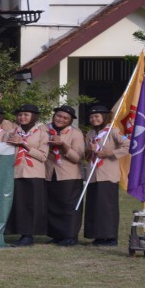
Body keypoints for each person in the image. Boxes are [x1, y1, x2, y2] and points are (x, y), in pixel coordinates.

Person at [84, 104, 130, 247]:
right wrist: (88, 149)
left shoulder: (113, 131)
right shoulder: (90, 134)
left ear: (104, 117)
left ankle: (110, 237)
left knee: (107, 207)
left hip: (108, 174)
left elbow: (128, 146)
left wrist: (108, 153)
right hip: (92, 175)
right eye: (91, 117)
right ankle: (98, 235)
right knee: (94, 206)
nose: (93, 119)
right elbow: (85, 155)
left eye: (97, 116)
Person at [5, 104, 49, 247]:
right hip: (16, 172)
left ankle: (29, 235)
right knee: (19, 204)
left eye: (26, 115)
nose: (22, 117)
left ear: (33, 117)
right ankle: (19, 233)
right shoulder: (11, 132)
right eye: (20, 115)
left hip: (34, 172)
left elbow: (43, 156)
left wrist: (24, 145)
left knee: (32, 205)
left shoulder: (42, 133)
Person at [44, 105, 85, 246]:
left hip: (69, 174)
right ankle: (57, 235)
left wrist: (64, 146)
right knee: (53, 205)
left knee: (69, 207)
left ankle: (70, 236)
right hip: (50, 172)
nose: (61, 119)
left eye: (65, 118)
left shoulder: (75, 133)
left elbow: (78, 157)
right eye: (58, 116)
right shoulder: (44, 129)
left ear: (70, 120)